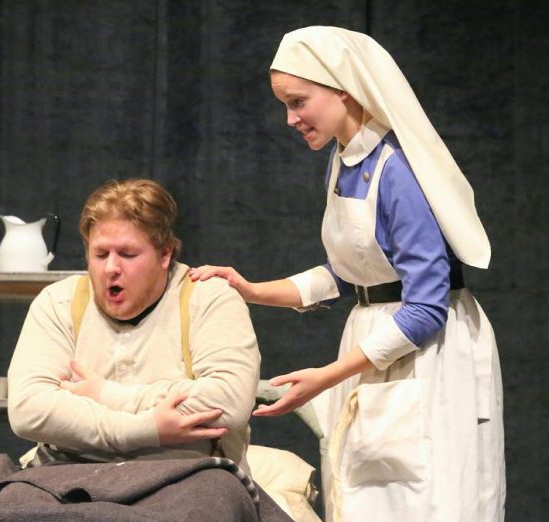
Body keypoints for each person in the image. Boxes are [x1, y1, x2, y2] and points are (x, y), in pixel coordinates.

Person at [190, 26, 505, 522]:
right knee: (365, 495)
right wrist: (249, 290)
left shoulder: (398, 171)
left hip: (428, 355)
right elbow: (347, 273)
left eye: (298, 102)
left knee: (427, 500)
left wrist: (326, 378)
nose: (291, 119)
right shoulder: (344, 160)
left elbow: (426, 307)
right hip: (376, 340)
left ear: (343, 89)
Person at [0, 178, 293, 521]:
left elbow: (226, 403)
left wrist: (104, 393)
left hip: (187, 473)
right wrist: (150, 428)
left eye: (128, 254)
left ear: (165, 254)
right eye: (100, 254)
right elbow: (29, 408)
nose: (111, 268)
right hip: (66, 472)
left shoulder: (209, 297)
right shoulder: (58, 302)